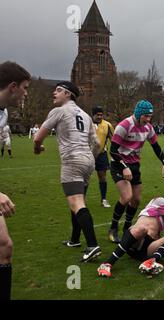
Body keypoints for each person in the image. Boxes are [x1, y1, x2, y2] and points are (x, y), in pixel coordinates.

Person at [33, 81, 102, 262]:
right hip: (87, 160)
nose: (54, 93)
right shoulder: (86, 116)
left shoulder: (59, 111)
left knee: (77, 204)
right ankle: (74, 240)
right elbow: (97, 144)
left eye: (58, 90)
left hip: (72, 160)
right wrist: (90, 159)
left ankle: (93, 245)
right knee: (78, 201)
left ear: (69, 94)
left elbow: (38, 137)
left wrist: (37, 148)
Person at [107, 100, 164, 243]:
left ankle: (127, 228)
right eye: (146, 116)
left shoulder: (148, 127)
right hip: (119, 165)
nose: (148, 119)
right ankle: (113, 228)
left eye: (150, 116)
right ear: (139, 113)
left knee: (136, 200)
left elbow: (156, 146)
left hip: (134, 166)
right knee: (127, 196)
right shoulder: (124, 126)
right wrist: (124, 167)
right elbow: (113, 151)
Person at [0, 61, 31, 300]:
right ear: (12, 87)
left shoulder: (3, 114)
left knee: (4, 247)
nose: (26, 93)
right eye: (24, 87)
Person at [91, 106, 114, 208]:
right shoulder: (87, 124)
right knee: (85, 178)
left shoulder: (107, 125)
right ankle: (81, 200)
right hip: (88, 154)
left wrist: (115, 154)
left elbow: (113, 140)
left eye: (101, 115)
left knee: (102, 177)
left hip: (102, 154)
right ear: (93, 115)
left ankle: (103, 199)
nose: (100, 117)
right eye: (97, 115)